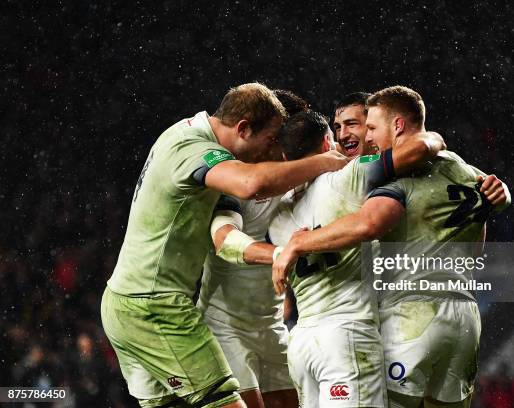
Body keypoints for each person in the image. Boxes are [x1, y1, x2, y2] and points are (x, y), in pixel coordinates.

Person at [100, 83, 349, 408]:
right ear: (243, 128)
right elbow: (250, 185)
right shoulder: (196, 151)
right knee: (224, 402)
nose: (273, 148)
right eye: (272, 138)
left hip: (132, 304)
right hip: (155, 307)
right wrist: (327, 162)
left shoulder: (185, 135)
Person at [272, 86, 511, 408]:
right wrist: (502, 193)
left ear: (396, 126)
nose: (365, 138)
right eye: (339, 127)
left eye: (367, 126)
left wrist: (298, 243)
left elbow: (368, 224)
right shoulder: (462, 168)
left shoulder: (383, 180)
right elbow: (485, 210)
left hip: (407, 315)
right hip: (464, 313)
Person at [267, 109, 446, 407]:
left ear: (285, 158)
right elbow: (418, 149)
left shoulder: (276, 214)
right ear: (327, 143)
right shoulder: (349, 177)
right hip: (347, 336)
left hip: (302, 344)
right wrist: (437, 138)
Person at [196, 90, 310, 408]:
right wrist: (277, 254)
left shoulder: (301, 180)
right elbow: (225, 239)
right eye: (276, 135)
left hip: (272, 326)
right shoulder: (236, 179)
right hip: (224, 327)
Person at [333, 92, 374, 157]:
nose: (342, 136)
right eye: (338, 127)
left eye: (351, 124)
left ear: (372, 125)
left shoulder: (390, 160)